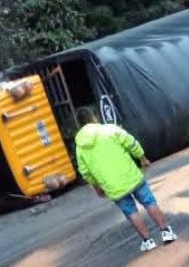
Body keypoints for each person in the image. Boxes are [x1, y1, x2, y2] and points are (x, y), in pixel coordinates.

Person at [74, 107, 176, 253]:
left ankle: (148, 241)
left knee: (131, 212)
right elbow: (131, 143)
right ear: (94, 118)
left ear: (79, 124)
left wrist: (97, 188)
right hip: (131, 176)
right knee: (149, 202)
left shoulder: (80, 147)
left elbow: (86, 172)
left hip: (112, 186)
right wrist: (142, 158)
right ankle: (166, 232)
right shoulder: (109, 129)